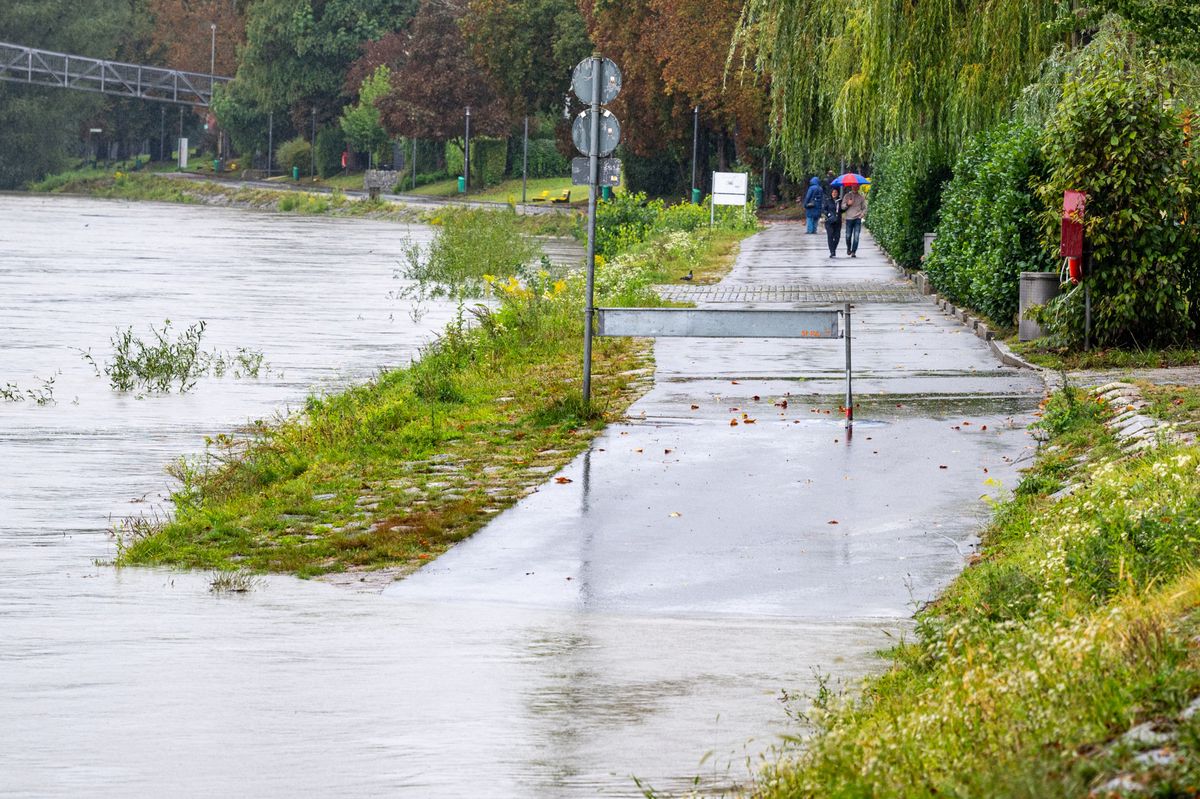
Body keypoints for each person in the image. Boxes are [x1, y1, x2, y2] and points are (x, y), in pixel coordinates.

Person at [842, 183, 867, 257]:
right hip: (849, 218)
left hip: (857, 219)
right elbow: (842, 207)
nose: (855, 188)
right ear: (851, 187)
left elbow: (865, 208)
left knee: (856, 236)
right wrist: (848, 204)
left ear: (858, 187)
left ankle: (853, 251)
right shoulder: (847, 196)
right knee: (848, 236)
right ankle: (848, 248)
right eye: (853, 186)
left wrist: (862, 215)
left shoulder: (861, 197)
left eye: (856, 186)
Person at [822, 186, 844, 258]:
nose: (834, 193)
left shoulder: (840, 201)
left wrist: (847, 206)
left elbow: (842, 210)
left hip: (837, 221)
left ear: (838, 193)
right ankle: (832, 252)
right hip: (829, 221)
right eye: (833, 192)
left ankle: (833, 248)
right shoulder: (827, 200)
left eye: (836, 192)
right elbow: (824, 209)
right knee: (830, 236)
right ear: (831, 193)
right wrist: (828, 214)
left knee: (837, 237)